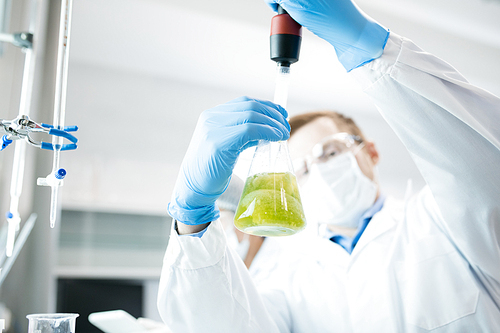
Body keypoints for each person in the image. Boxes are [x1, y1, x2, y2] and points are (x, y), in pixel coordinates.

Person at [157, 0, 500, 331]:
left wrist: (367, 45)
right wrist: (193, 220)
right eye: (301, 169)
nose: (317, 170)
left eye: (329, 153)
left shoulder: (440, 221)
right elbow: (224, 325)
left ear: (371, 152)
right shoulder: (283, 270)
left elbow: (483, 170)